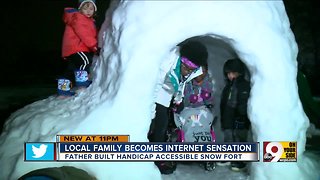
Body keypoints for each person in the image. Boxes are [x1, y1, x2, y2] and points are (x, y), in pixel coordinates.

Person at [148, 40, 208, 174]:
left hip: (169, 94)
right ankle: (158, 159)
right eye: (186, 68)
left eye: (191, 70)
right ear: (181, 60)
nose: (187, 72)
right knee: (160, 126)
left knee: (168, 124)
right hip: (157, 94)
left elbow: (182, 83)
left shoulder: (193, 69)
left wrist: (178, 99)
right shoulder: (168, 62)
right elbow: (155, 85)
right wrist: (151, 111)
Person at [173, 64, 217, 171]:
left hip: (202, 109)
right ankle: (188, 144)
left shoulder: (207, 83)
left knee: (206, 121)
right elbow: (181, 97)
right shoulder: (188, 82)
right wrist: (188, 99)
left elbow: (209, 101)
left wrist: (208, 99)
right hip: (188, 109)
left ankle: (206, 147)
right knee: (187, 122)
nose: (201, 74)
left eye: (204, 72)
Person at [58, 0, 98, 96]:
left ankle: (63, 90)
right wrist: (94, 46)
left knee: (70, 68)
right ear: (80, 9)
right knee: (85, 61)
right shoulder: (79, 18)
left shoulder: (86, 20)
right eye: (85, 8)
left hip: (71, 48)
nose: (88, 11)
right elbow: (84, 34)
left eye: (91, 9)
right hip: (77, 47)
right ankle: (82, 82)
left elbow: (92, 33)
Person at [219, 58, 251, 171]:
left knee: (239, 140)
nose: (228, 75)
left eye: (231, 73)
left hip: (239, 119)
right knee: (229, 138)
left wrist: (242, 116)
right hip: (229, 118)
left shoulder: (243, 85)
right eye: (227, 73)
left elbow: (243, 102)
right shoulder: (230, 85)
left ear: (238, 72)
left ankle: (239, 161)